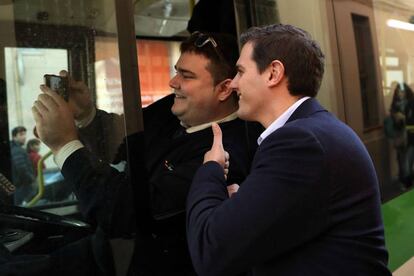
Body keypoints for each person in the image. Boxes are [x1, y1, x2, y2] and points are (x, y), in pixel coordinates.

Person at [32, 32, 260, 275]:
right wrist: (86, 114)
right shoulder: (170, 108)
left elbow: (127, 215)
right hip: (106, 249)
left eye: (186, 76)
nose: (173, 82)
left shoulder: (223, 155)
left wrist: (64, 144)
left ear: (225, 89)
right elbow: (125, 138)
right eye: (177, 71)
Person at [186, 24, 391, 276]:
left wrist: (210, 170)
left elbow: (211, 251)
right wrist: (246, 200)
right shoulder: (313, 131)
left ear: (273, 73)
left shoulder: (299, 143)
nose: (233, 84)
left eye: (240, 71)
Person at [10, 126, 36, 205]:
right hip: (22, 186)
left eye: (25, 134)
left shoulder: (15, 148)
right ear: (14, 137)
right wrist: (31, 179)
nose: (24, 137)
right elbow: (21, 168)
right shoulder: (17, 150)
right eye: (21, 134)